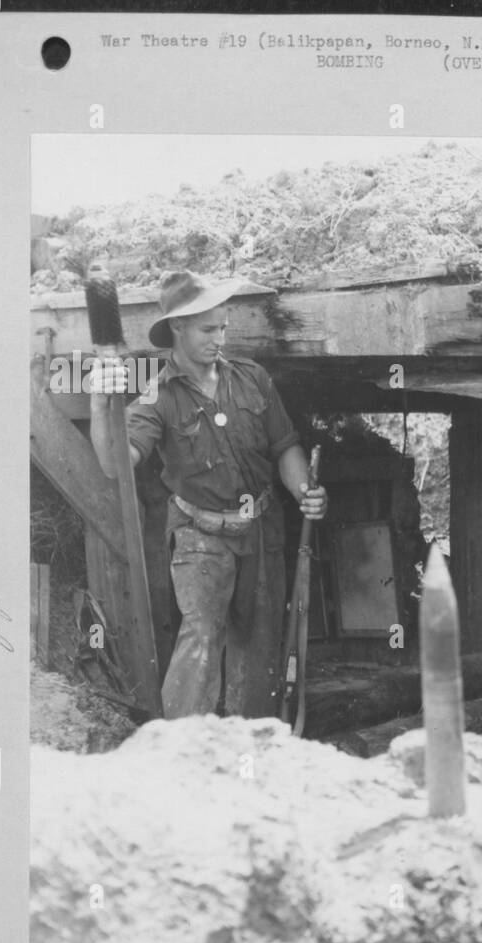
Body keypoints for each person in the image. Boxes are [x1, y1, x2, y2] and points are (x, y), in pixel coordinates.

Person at [89, 271, 327, 719]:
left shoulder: (253, 379)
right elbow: (114, 464)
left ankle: (249, 756)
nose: (219, 338)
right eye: (207, 329)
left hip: (260, 533)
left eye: (223, 327)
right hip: (199, 537)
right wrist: (102, 405)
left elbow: (285, 445)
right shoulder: (157, 395)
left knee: (257, 650)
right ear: (178, 328)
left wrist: (303, 491)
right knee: (200, 639)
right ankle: (178, 753)